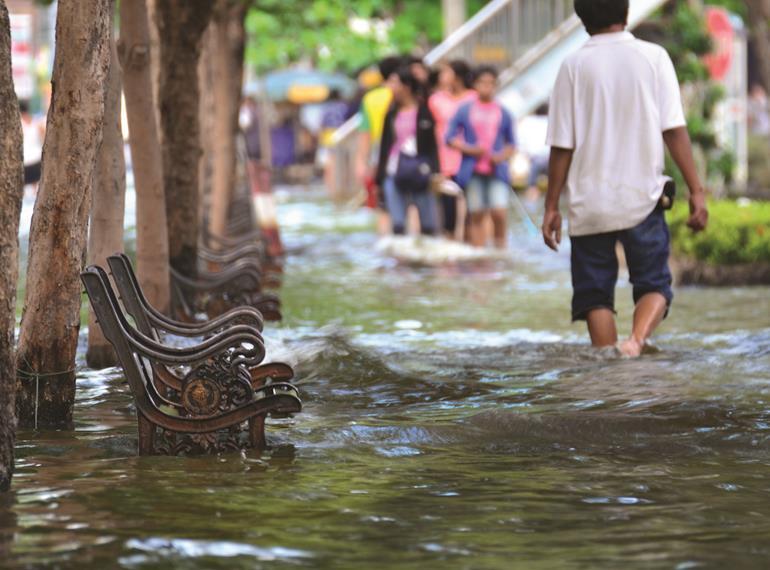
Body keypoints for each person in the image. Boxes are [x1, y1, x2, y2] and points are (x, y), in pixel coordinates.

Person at [542, 0, 708, 357]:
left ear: (581, 18)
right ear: (626, 13)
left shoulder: (572, 66)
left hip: (590, 204)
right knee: (654, 284)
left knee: (594, 294)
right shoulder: (654, 57)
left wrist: (551, 206)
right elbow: (674, 130)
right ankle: (634, 343)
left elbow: (561, 146)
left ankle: (607, 363)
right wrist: (697, 190)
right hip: (642, 198)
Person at [446, 66, 516, 248]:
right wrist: (470, 149)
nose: (486, 87)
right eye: (482, 83)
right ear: (475, 85)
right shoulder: (464, 110)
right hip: (472, 170)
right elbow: (449, 138)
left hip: (496, 171)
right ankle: (479, 252)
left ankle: (500, 250)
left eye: (490, 83)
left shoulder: (503, 112)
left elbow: (512, 143)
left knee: (499, 213)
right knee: (476, 213)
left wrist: (501, 156)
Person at [375, 66, 440, 236]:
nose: (391, 87)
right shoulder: (390, 114)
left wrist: (435, 171)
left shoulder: (424, 113)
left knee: (428, 226)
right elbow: (385, 146)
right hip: (394, 171)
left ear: (406, 86)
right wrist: (379, 177)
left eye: (395, 83)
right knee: (397, 225)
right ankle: (400, 261)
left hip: (420, 172)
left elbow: (432, 144)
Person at [429, 60, 477, 239]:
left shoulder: (474, 97)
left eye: (446, 72)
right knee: (448, 209)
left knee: (472, 210)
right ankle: (449, 243)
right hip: (444, 161)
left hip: (470, 160)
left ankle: (469, 244)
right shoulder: (436, 100)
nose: (442, 77)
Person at [355, 56, 402, 233]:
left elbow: (364, 134)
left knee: (383, 207)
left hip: (378, 155)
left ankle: (385, 245)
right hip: (404, 154)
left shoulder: (371, 98)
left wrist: (361, 163)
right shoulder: (405, 95)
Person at [517, 103, 550, 206]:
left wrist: (526, 154)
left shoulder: (528, 122)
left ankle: (531, 202)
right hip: (548, 159)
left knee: (532, 184)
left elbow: (521, 142)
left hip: (535, 159)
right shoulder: (549, 122)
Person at [20, 100, 44, 191]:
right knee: (35, 189)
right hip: (37, 161)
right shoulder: (37, 123)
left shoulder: (18, 124)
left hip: (24, 162)